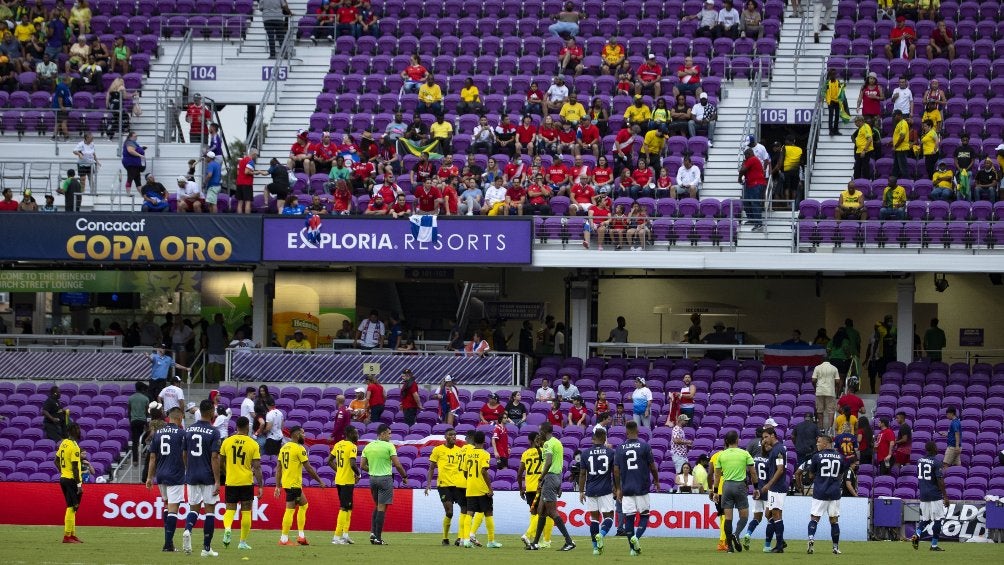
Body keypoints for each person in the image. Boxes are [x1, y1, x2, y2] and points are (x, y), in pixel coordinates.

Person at [525, 422, 576, 551]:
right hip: (556, 476)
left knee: (552, 512)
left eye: (540, 429)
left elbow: (548, 461)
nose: (539, 432)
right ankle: (535, 543)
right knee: (541, 510)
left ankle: (569, 541)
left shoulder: (548, 444)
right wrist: (558, 483)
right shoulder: (557, 443)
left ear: (544, 430)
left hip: (549, 477)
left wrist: (542, 477)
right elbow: (559, 462)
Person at [796, 434, 847, 555]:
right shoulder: (840, 457)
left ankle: (811, 539)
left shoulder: (817, 457)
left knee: (814, 518)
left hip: (820, 492)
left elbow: (811, 475)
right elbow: (841, 475)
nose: (817, 444)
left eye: (819, 442)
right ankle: (835, 547)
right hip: (834, 492)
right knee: (834, 520)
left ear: (826, 443)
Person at [615, 420, 660, 556]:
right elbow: (652, 466)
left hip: (627, 489)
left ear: (626, 432)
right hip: (642, 487)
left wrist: (618, 488)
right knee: (644, 516)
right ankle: (637, 537)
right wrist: (657, 481)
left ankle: (632, 549)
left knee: (629, 518)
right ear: (638, 431)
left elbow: (616, 470)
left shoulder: (620, 448)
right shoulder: (645, 446)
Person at [183, 400, 222, 557]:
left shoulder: (189, 430)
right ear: (212, 412)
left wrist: (189, 469)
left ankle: (187, 529)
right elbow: (214, 457)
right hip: (207, 476)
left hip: (192, 474)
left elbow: (184, 454)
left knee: (194, 508)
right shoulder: (214, 432)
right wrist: (218, 480)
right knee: (210, 511)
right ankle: (206, 549)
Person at [219, 416, 264, 550]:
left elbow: (220, 462)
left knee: (230, 510)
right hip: (246, 481)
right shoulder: (253, 444)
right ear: (247, 427)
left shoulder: (227, 442)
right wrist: (260, 485)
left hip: (231, 481)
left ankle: (228, 528)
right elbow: (257, 467)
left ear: (236, 427)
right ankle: (242, 542)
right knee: (246, 512)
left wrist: (228, 472)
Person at [146, 406, 186, 553]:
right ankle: (168, 544)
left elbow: (152, 457)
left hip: (161, 474)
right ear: (180, 417)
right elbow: (184, 454)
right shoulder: (182, 433)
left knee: (167, 506)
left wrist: (149, 477)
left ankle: (168, 541)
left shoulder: (158, 434)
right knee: (173, 509)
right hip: (175, 474)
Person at [275, 426, 324, 546]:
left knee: (304, 505)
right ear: (296, 435)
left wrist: (278, 486)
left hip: (287, 483)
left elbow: (279, 468)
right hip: (294, 484)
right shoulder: (299, 448)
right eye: (302, 433)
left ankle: (301, 536)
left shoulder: (284, 448)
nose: (304, 435)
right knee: (290, 510)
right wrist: (319, 481)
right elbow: (308, 468)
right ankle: (284, 538)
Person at [362, 423, 408, 545]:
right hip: (385, 479)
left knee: (377, 506)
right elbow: (397, 464)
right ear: (382, 434)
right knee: (382, 508)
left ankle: (372, 533)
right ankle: (378, 537)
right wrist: (404, 476)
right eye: (389, 433)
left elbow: (362, 465)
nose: (390, 436)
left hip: (372, 479)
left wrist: (372, 470)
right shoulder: (389, 446)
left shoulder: (368, 446)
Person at [579, 427, 618, 555]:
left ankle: (595, 548)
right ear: (604, 438)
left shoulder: (585, 453)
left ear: (594, 438)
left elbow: (582, 474)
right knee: (609, 517)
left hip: (590, 490)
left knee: (594, 519)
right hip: (605, 489)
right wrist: (617, 488)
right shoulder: (610, 452)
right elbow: (615, 472)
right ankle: (601, 534)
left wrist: (581, 491)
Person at [715, 430, 754, 553]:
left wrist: (715, 491)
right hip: (740, 486)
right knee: (744, 516)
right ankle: (736, 534)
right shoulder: (745, 453)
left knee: (728, 518)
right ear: (738, 440)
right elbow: (753, 472)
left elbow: (717, 476)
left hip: (726, 487)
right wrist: (756, 487)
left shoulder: (721, 455)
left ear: (726, 441)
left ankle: (730, 547)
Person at [462, 430, 500, 548]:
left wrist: (471, 481)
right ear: (484, 441)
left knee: (469, 513)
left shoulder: (467, 454)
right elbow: (484, 471)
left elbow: (464, 471)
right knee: (488, 513)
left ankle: (467, 540)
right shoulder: (485, 454)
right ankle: (491, 541)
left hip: (470, 487)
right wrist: (490, 488)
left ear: (473, 441)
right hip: (482, 488)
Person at [426, 428, 464, 546]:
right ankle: (445, 538)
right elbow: (432, 468)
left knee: (465, 510)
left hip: (458, 485)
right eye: (451, 435)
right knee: (449, 512)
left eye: (455, 435)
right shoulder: (437, 450)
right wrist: (428, 484)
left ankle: (460, 538)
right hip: (444, 485)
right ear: (445, 437)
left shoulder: (460, 451)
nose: (454, 437)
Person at [911, 441, 950, 552]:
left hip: (923, 494)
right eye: (936, 447)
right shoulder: (937, 462)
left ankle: (917, 534)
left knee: (926, 519)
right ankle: (933, 545)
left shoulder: (919, 461)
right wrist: (945, 497)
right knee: (938, 520)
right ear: (934, 449)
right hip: (934, 495)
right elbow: (940, 481)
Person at [756, 428, 789, 553]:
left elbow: (780, 469)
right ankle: (781, 541)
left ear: (773, 435)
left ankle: (779, 546)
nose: (764, 440)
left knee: (775, 514)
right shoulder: (774, 449)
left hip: (777, 487)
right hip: (774, 488)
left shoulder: (779, 449)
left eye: (765, 437)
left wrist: (769, 484)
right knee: (768, 514)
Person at [518, 432, 553, 548]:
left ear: (529, 441)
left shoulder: (525, 453)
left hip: (529, 488)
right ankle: (537, 537)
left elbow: (519, 474)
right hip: (541, 486)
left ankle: (533, 536)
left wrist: (520, 489)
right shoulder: (544, 451)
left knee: (534, 513)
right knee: (546, 513)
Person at [327, 424, 360, 544]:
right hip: (347, 481)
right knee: (344, 507)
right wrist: (359, 474)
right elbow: (352, 464)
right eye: (355, 433)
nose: (357, 435)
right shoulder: (352, 446)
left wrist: (339, 470)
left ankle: (345, 535)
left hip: (339, 479)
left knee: (349, 507)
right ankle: (336, 537)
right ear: (350, 434)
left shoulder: (338, 444)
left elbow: (329, 460)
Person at [55, 422, 86, 543]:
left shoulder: (63, 443)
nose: (79, 431)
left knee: (73, 507)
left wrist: (63, 472)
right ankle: (67, 536)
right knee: (72, 506)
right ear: (72, 431)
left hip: (64, 478)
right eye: (77, 429)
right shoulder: (74, 446)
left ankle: (72, 534)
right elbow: (75, 467)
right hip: (72, 480)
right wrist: (79, 485)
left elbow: (56, 460)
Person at [812, 357, 840, 433]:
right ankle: (829, 428)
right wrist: (836, 389)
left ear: (822, 361)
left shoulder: (817, 367)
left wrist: (815, 388)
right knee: (831, 411)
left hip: (819, 391)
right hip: (830, 391)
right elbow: (837, 381)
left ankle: (821, 428)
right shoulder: (834, 368)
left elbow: (813, 380)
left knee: (820, 410)